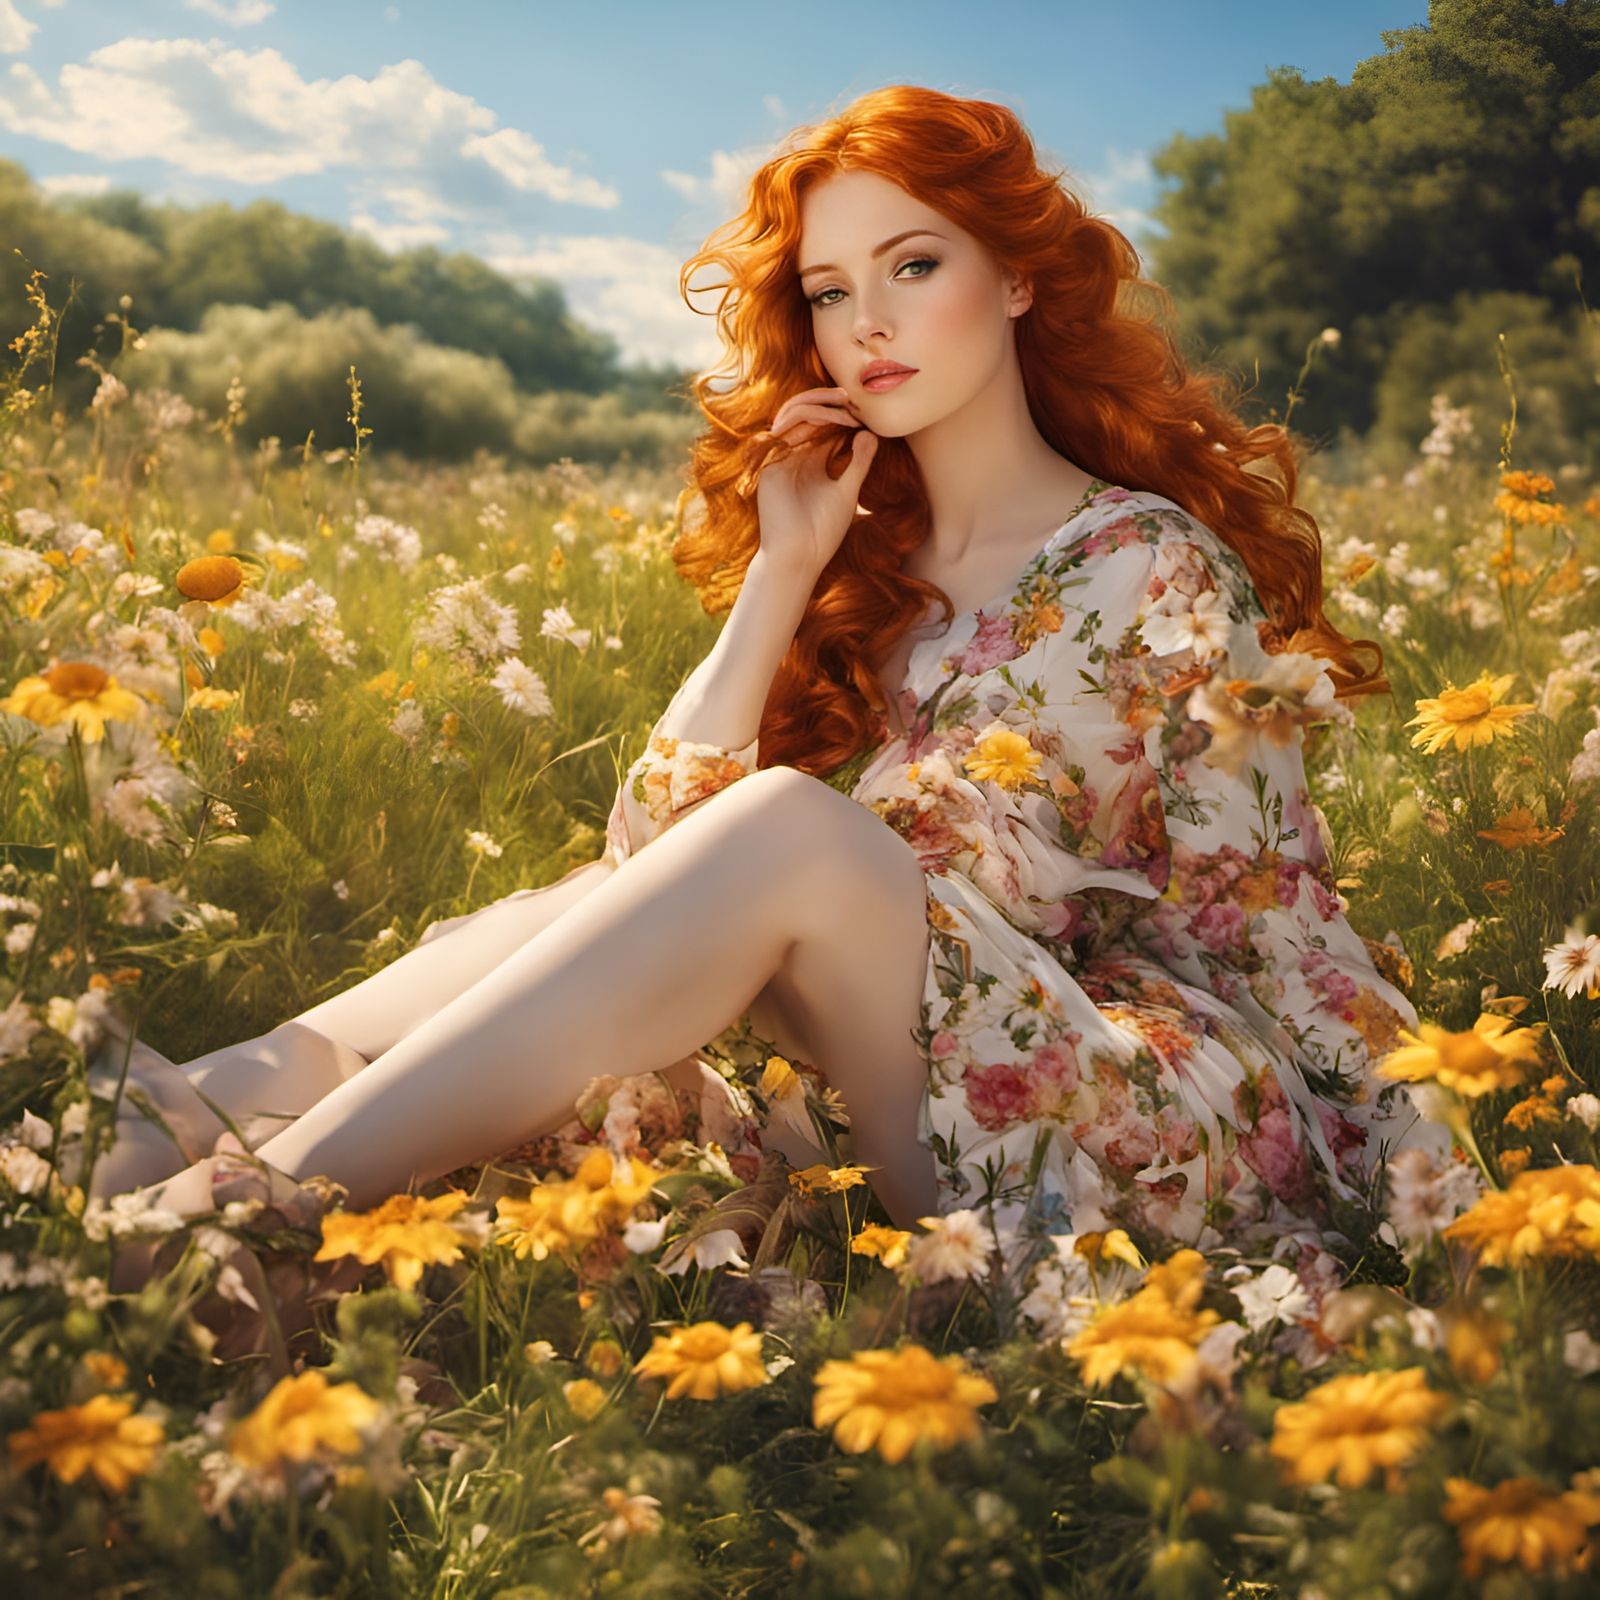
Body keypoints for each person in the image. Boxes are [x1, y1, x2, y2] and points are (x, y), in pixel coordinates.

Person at [90, 84, 1447, 1301]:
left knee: (787, 824)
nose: (870, 326)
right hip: (861, 1070)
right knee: (568, 906)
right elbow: (652, 856)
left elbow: (1263, 914)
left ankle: (245, 1224)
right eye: (831, 291)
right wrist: (786, 568)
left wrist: (1402, 1147)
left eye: (915, 266)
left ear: (1020, 280)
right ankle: (166, 1132)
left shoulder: (1157, 561)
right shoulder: (870, 560)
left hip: (1077, 1099)